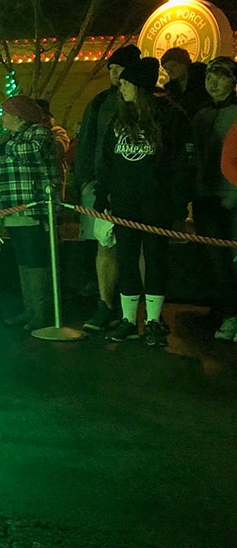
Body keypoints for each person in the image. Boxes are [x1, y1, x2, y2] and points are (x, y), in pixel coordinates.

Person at [95, 57, 191, 346]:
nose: (120, 87)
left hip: (155, 203)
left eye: (125, 82)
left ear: (138, 85)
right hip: (124, 204)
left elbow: (181, 164)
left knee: (155, 260)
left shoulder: (170, 117)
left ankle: (152, 320)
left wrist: (177, 201)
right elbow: (108, 161)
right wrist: (103, 194)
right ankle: (127, 318)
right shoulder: (119, 118)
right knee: (126, 260)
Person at [73, 43, 141, 331]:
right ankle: (106, 304)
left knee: (140, 249)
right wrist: (83, 181)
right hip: (102, 183)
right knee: (105, 246)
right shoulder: (100, 102)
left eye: (117, 68)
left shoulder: (151, 103)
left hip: (139, 186)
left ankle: (142, 310)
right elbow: (86, 143)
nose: (112, 73)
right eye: (110, 68)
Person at [0, 94, 61, 330]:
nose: (2, 117)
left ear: (18, 116)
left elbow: (33, 152)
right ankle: (30, 310)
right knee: (23, 259)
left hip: (34, 207)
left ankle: (41, 313)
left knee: (36, 259)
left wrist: (7, 147)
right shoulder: (12, 137)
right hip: (14, 207)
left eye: (6, 113)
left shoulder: (39, 132)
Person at [191, 55, 237, 342]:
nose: (214, 82)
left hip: (233, 197)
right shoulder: (200, 114)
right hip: (205, 197)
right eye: (210, 76)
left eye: (221, 76)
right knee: (214, 259)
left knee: (232, 259)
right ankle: (224, 308)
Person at [161, 46, 211, 118]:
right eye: (166, 68)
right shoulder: (170, 90)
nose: (169, 71)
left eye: (173, 65)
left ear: (184, 63)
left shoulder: (203, 79)